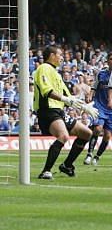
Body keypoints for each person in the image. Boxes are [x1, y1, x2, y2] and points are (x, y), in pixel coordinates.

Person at [34, 46, 96, 179]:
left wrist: (85, 107)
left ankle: (67, 165)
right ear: (51, 55)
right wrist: (66, 99)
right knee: (63, 136)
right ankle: (46, 171)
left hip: (58, 111)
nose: (62, 57)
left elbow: (68, 96)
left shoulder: (56, 73)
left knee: (87, 133)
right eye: (60, 54)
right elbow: (47, 92)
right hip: (48, 111)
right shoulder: (43, 68)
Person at [84, 51, 112, 166]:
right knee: (98, 129)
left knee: (108, 135)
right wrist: (90, 95)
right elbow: (94, 87)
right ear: (108, 61)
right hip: (100, 105)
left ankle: (97, 156)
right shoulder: (101, 74)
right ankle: (89, 153)